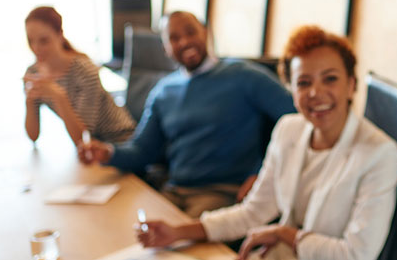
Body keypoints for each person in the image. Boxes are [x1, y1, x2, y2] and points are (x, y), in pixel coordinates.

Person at [134, 25, 397, 260]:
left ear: (351, 85)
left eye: (330, 79)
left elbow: (357, 255)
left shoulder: (379, 154)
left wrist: (286, 235)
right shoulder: (289, 129)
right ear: (292, 91)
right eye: (303, 82)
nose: (316, 93)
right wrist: (177, 232)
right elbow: (253, 212)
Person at [79, 11, 295, 218]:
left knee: (177, 247)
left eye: (191, 32)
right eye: (174, 38)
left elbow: (295, 120)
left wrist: (262, 174)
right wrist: (107, 153)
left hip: (222, 192)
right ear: (165, 48)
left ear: (205, 32)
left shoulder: (245, 76)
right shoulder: (163, 92)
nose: (184, 42)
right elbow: (143, 151)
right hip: (173, 190)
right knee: (125, 229)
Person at [24, 6, 135, 144]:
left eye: (44, 41)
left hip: (119, 142)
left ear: (60, 35)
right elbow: (33, 136)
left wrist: (59, 96)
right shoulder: (34, 74)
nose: (36, 48)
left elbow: (82, 138)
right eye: (30, 41)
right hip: (92, 148)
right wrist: (29, 101)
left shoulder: (84, 70)